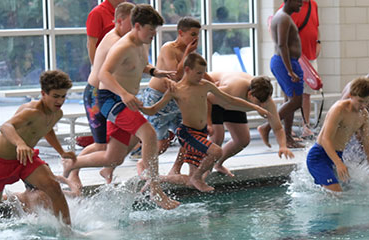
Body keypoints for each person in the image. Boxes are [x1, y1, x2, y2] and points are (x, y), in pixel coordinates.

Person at [63, 4, 179, 210]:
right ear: (137, 25)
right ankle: (156, 191)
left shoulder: (141, 43)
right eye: (151, 29)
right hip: (110, 98)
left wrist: (156, 72)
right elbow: (103, 75)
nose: (154, 34)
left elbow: (136, 64)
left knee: (113, 156)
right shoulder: (121, 45)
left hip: (123, 98)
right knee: (149, 135)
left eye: (155, 30)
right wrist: (124, 94)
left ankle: (73, 164)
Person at [155, 54, 270, 192]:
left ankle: (159, 178)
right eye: (199, 73)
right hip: (200, 118)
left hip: (208, 122)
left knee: (241, 140)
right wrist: (209, 122)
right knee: (215, 144)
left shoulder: (206, 86)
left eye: (203, 73)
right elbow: (156, 110)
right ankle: (191, 174)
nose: (202, 76)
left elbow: (232, 101)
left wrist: (257, 108)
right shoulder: (182, 89)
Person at [0, 70, 74, 225]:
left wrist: (62, 152)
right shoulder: (31, 111)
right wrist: (20, 143)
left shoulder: (57, 114)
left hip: (25, 158)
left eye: (63, 96)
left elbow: (47, 129)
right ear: (43, 93)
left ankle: (68, 231)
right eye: (55, 96)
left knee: (54, 187)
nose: (59, 101)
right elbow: (6, 127)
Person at [75, 1, 134, 192]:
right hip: (97, 91)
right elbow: (91, 43)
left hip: (113, 89)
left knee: (127, 137)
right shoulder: (98, 13)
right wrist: (98, 68)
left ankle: (107, 169)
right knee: (102, 145)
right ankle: (73, 170)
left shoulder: (129, 10)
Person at [201, 71, 292, 176]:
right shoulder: (233, 89)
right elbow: (207, 98)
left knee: (242, 140)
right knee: (217, 137)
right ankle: (203, 171)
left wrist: (282, 146)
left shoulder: (266, 101)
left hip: (233, 105)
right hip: (215, 101)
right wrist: (209, 123)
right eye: (259, 103)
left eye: (265, 102)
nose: (262, 106)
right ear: (249, 94)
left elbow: (278, 128)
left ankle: (218, 164)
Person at [306, 77, 369, 192]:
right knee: (337, 194)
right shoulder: (339, 109)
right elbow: (326, 139)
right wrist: (338, 163)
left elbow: (367, 145)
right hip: (319, 156)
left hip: (337, 156)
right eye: (360, 101)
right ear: (351, 95)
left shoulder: (364, 116)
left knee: (350, 192)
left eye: (366, 101)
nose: (363, 105)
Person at [141, 17, 202, 155]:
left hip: (176, 99)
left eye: (197, 34)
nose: (196, 38)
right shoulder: (169, 48)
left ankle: (176, 169)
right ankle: (143, 165)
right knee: (161, 142)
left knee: (189, 137)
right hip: (157, 97)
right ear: (181, 33)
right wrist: (187, 53)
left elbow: (198, 73)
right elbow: (174, 75)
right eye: (193, 34)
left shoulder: (190, 52)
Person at [280, 0, 320, 136]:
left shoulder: (313, 5)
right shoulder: (286, 9)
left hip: (310, 55)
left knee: (306, 93)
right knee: (290, 94)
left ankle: (306, 126)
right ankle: (287, 129)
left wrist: (318, 42)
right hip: (294, 56)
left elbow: (316, 27)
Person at [270, 0, 306, 148]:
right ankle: (266, 127)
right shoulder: (283, 17)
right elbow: (281, 45)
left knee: (290, 101)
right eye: (298, 1)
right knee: (296, 101)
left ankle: (288, 137)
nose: (301, 4)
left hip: (286, 62)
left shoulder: (283, 16)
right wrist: (290, 70)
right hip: (286, 63)